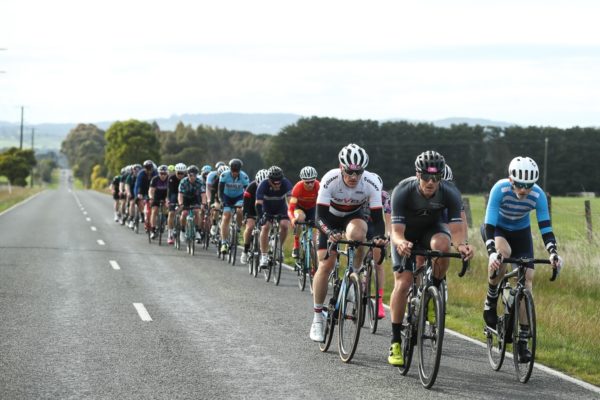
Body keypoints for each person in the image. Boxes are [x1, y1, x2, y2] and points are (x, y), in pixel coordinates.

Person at [388, 150, 473, 366]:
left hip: (430, 231)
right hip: (405, 234)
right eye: (426, 177)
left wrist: (462, 245)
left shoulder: (449, 191)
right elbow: (396, 231)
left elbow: (456, 228)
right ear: (418, 175)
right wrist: (400, 243)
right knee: (404, 282)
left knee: (443, 246)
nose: (431, 182)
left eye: (436, 178)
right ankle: (396, 340)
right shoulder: (402, 190)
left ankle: (433, 292)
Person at [481, 156, 563, 363]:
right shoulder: (499, 189)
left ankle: (523, 341)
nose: (524, 190)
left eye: (528, 185)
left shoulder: (538, 195)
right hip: (497, 229)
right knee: (503, 254)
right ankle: (490, 301)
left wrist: (553, 252)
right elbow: (489, 223)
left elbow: (545, 226)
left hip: (521, 233)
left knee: (527, 279)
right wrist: (491, 251)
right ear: (511, 180)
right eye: (519, 184)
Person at [309, 143, 387, 342]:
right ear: (341, 167)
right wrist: (329, 232)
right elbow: (319, 217)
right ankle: (317, 316)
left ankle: (355, 273)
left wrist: (378, 238)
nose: (353, 177)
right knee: (325, 264)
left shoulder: (371, 182)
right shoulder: (330, 179)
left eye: (358, 172)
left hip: (353, 217)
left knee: (359, 234)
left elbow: (377, 220)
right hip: (329, 219)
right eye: (349, 172)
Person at [255, 166, 293, 269]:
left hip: (281, 207)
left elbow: (291, 202)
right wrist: (261, 217)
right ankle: (264, 255)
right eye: (274, 182)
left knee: (285, 226)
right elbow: (258, 204)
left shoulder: (286, 183)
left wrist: (292, 215)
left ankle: (278, 246)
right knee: (265, 227)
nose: (277, 184)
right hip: (266, 208)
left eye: (279, 182)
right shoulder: (263, 185)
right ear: (269, 180)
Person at [218, 159, 250, 254]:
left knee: (240, 211)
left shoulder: (244, 177)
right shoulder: (224, 175)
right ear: (230, 169)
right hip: (226, 197)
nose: (235, 173)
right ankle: (224, 242)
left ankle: (238, 230)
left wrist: (246, 203)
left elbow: (247, 192)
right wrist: (221, 201)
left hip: (238, 197)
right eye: (233, 171)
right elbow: (220, 191)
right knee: (226, 216)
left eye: (237, 171)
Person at [288, 166, 320, 259]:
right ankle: (296, 244)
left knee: (314, 241)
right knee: (300, 218)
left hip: (312, 209)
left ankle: (314, 268)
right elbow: (290, 208)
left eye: (312, 181)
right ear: (302, 180)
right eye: (307, 182)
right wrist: (293, 219)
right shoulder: (298, 188)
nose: (310, 184)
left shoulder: (319, 186)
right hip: (299, 208)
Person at [240, 169, 269, 264]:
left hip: (264, 209)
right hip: (251, 209)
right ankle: (245, 250)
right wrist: (245, 216)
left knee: (266, 227)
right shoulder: (251, 187)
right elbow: (246, 204)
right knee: (250, 227)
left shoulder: (270, 188)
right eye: (259, 184)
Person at [178, 165, 206, 242]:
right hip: (185, 198)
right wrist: (181, 203)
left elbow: (203, 194)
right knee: (184, 213)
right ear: (187, 174)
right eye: (190, 175)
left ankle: (197, 230)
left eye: (194, 175)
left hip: (195, 198)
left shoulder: (200, 182)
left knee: (197, 212)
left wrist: (203, 204)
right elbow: (180, 194)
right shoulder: (183, 181)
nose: (192, 177)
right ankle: (182, 230)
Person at [134, 160, 157, 232]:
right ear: (144, 168)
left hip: (153, 190)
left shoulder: (155, 173)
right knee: (139, 200)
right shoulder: (141, 174)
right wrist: (138, 194)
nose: (148, 170)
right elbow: (137, 185)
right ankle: (142, 213)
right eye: (147, 168)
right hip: (142, 190)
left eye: (150, 168)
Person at [166, 163, 186, 244]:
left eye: (182, 173)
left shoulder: (187, 178)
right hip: (174, 194)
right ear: (175, 172)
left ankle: (183, 230)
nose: (180, 175)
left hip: (184, 195)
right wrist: (168, 200)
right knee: (171, 213)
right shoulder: (171, 178)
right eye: (179, 173)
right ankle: (170, 233)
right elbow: (169, 192)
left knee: (185, 213)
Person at [148, 165, 170, 239]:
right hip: (156, 196)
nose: (163, 175)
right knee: (154, 211)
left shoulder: (169, 179)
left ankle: (165, 222)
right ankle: (153, 229)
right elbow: (151, 190)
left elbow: (170, 191)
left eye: (164, 174)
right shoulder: (155, 179)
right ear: (158, 173)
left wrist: (167, 199)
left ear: (167, 173)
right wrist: (151, 198)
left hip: (165, 196)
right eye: (161, 173)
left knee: (166, 210)